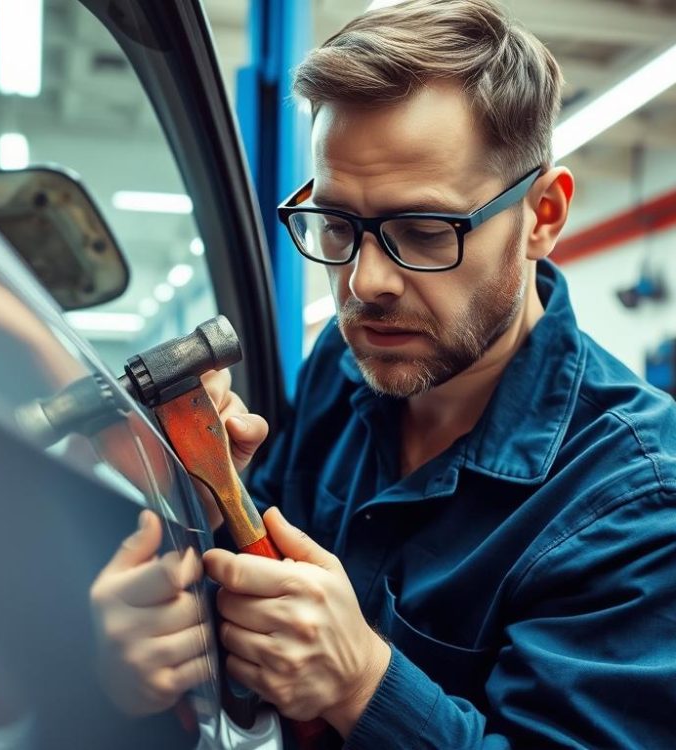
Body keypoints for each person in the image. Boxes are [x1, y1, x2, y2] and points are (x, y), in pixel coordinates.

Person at [90, 0, 676, 747]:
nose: (365, 283)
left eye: (423, 232)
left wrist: (366, 685)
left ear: (543, 215)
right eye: (337, 225)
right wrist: (158, 628)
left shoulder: (638, 503)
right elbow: (263, 594)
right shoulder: (350, 364)